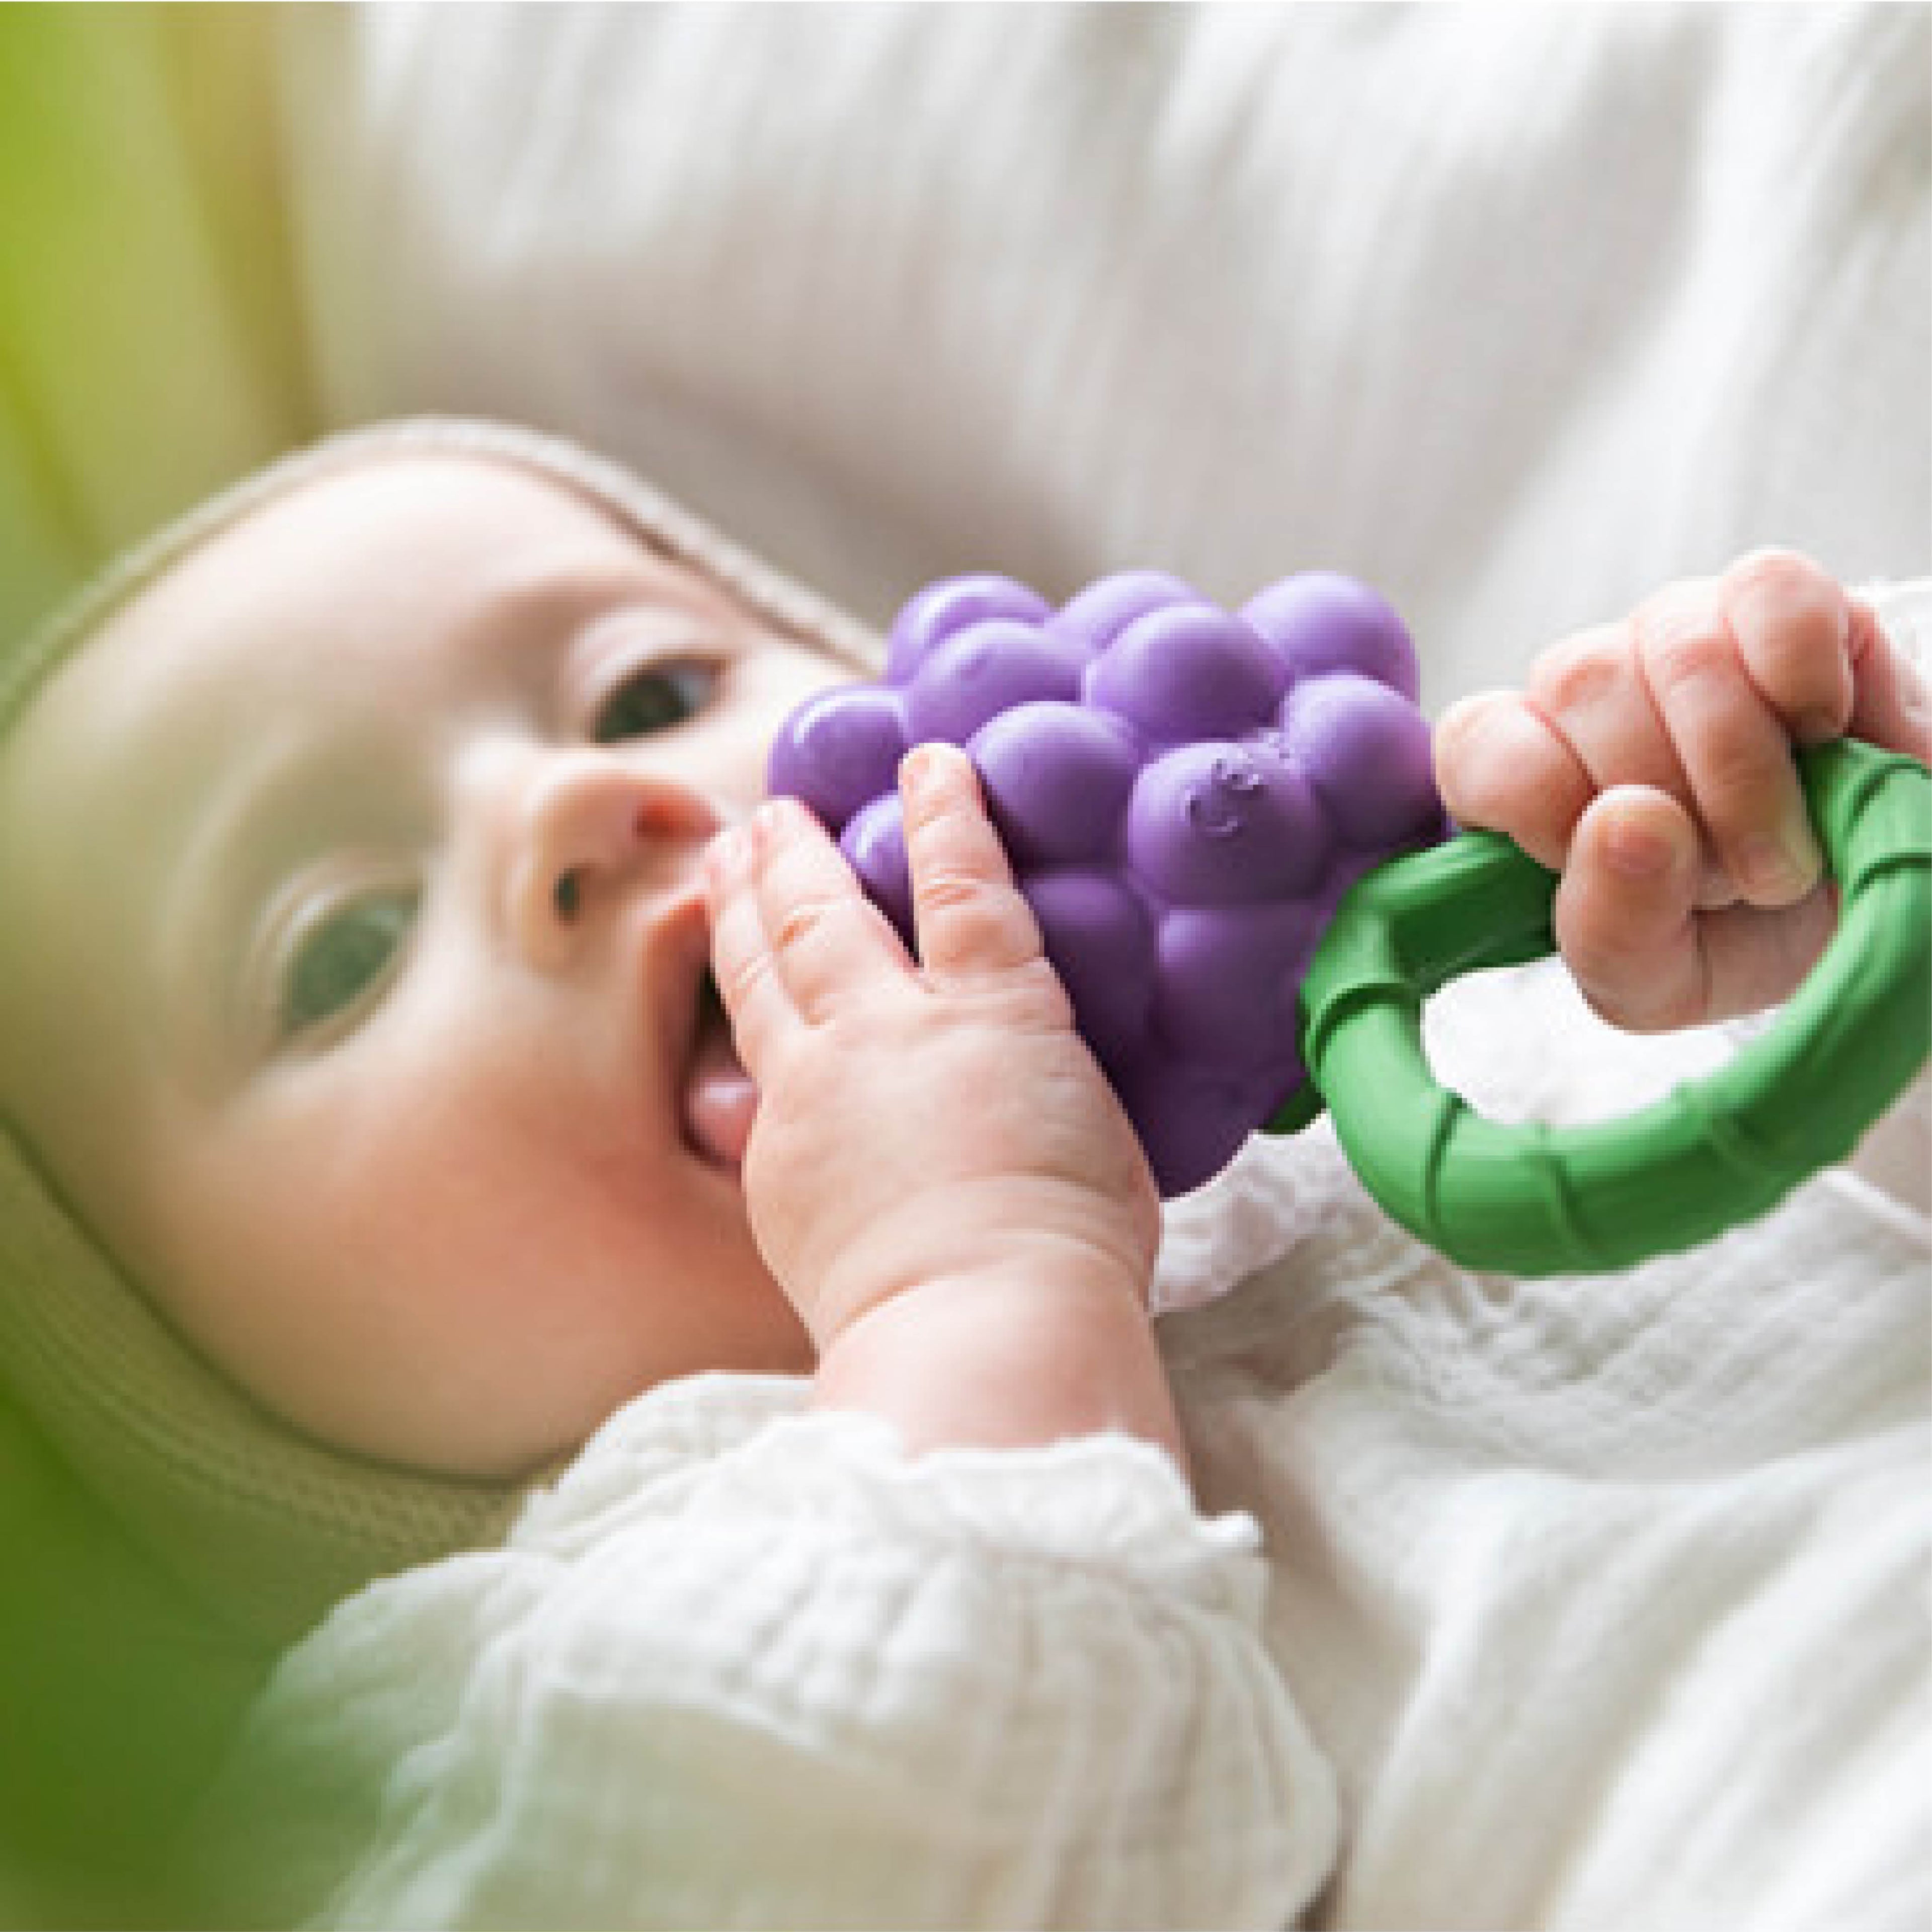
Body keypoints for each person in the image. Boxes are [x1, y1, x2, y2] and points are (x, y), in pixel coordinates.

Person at [0, 418, 1925, 1929]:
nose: (577, 808)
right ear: (207, 1414)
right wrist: (968, 1306)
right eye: (337, 949)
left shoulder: (1458, 1029)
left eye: (651, 695)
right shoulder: (462, 1724)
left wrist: (1786, 827)